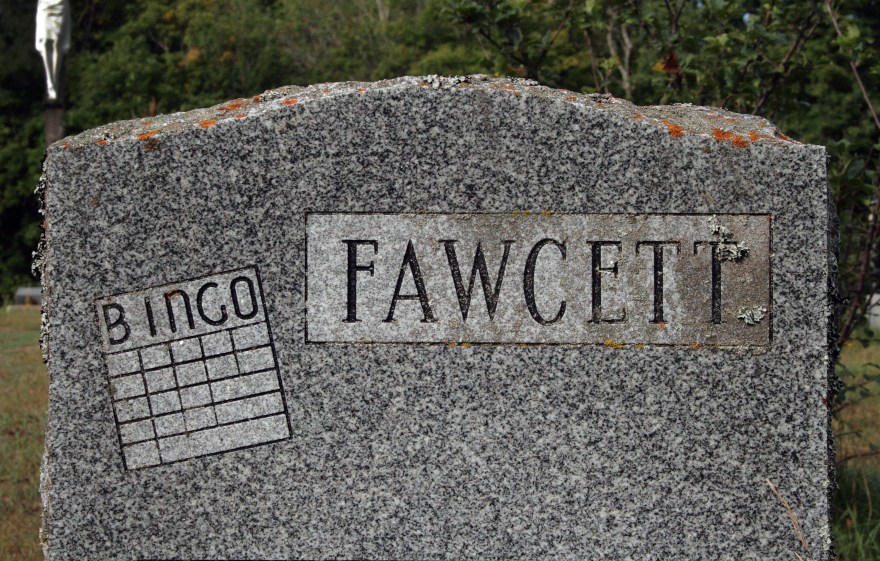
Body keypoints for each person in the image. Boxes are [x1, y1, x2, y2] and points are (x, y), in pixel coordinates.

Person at [35, 0, 71, 102]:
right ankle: (50, 83)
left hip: (59, 6)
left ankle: (54, 81)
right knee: (45, 42)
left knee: (56, 43)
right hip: (45, 6)